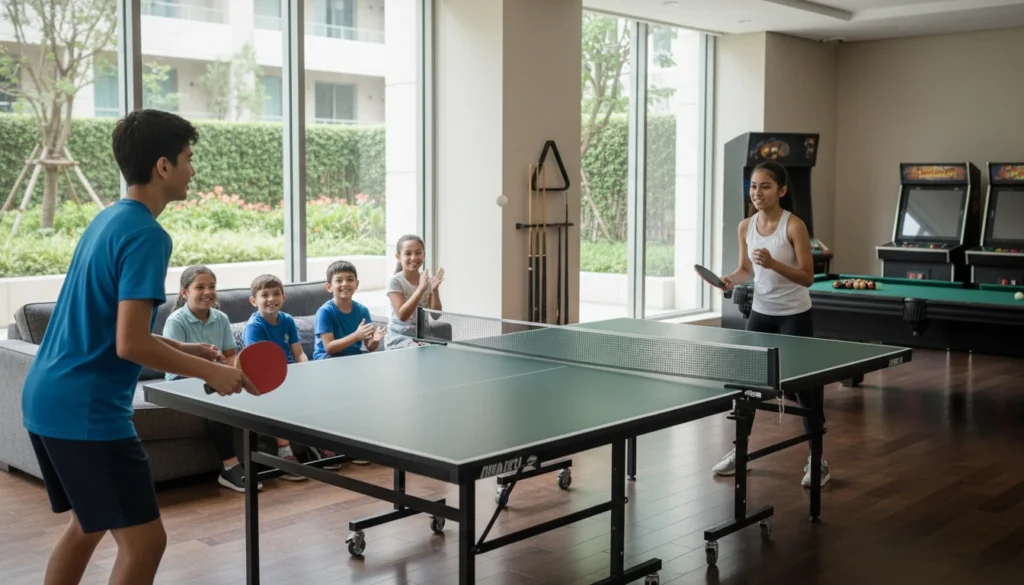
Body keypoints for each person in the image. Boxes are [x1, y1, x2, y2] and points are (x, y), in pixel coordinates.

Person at [20, 109, 256, 585]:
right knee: (146, 543)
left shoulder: (108, 220)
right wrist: (213, 374)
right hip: (87, 412)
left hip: (46, 398)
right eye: (188, 159)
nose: (193, 170)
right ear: (163, 166)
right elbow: (129, 344)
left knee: (87, 525)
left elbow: (114, 329)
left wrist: (190, 354)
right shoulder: (148, 235)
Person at [717, 160, 829, 488]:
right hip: (761, 312)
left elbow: (808, 277)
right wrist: (730, 281)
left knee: (806, 392)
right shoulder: (745, 226)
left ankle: (817, 459)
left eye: (765, 186)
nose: (757, 192)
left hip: (794, 312)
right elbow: (745, 270)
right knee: (748, 385)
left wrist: (775, 263)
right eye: (753, 186)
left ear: (781, 190)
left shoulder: (794, 226)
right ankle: (740, 451)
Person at [162, 265, 263, 493]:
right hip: (182, 378)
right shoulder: (176, 321)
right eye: (200, 287)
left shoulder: (221, 318)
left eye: (212, 286)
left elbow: (230, 355)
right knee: (217, 397)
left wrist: (233, 375)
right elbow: (174, 363)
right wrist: (215, 375)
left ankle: (265, 458)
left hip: (212, 375)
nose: (207, 291)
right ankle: (230, 467)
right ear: (185, 292)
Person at [240, 273, 310, 480]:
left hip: (288, 373)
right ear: (254, 301)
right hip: (264, 378)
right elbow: (258, 363)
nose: (272, 299)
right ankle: (284, 453)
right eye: (265, 295)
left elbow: (298, 352)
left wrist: (306, 371)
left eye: (276, 293)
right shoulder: (255, 327)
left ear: (284, 297)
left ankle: (319, 446)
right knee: (281, 400)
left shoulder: (287, 320)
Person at [312, 260, 384, 360]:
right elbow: (329, 348)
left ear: (357, 284)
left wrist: (375, 341)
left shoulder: (363, 310)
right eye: (339, 280)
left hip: (352, 357)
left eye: (350, 279)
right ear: (329, 287)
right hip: (327, 359)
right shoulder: (325, 312)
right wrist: (356, 336)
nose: (345, 284)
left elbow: (370, 347)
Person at [384, 234, 445, 350]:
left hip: (422, 336)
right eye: (408, 253)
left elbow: (435, 316)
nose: (413, 257)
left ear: (424, 255)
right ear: (398, 256)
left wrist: (434, 290)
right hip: (399, 337)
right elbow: (402, 315)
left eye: (418, 253)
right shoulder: (395, 282)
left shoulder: (428, 280)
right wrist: (421, 289)